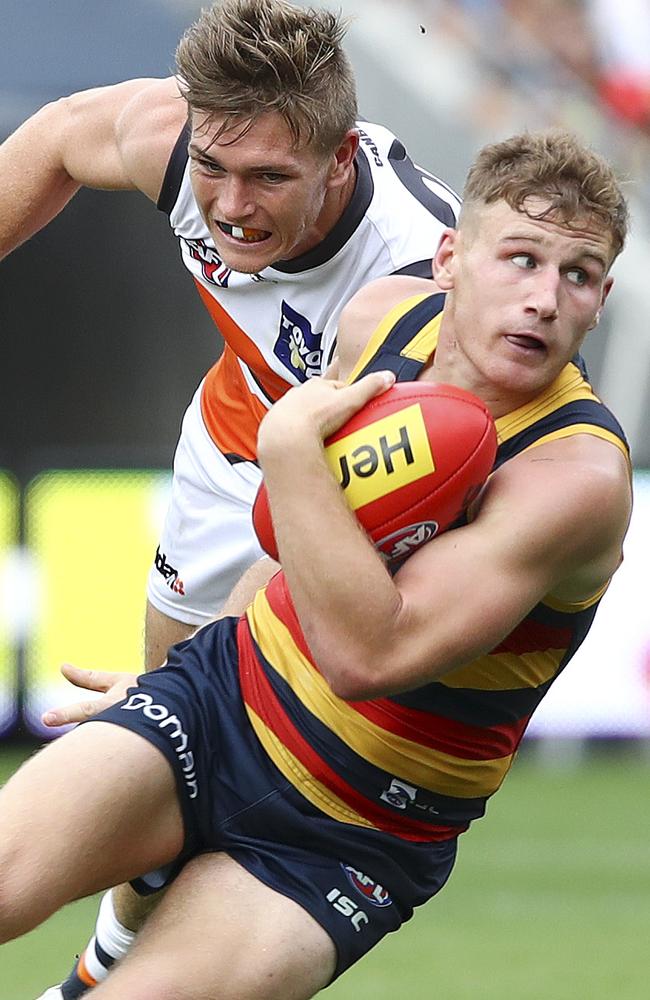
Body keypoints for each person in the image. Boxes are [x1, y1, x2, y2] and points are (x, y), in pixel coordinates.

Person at [0, 128, 632, 999]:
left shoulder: (576, 477)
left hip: (351, 830)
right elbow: (302, 547)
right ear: (449, 259)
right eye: (520, 259)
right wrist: (189, 669)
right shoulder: (380, 318)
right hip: (219, 704)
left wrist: (290, 451)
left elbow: (369, 656)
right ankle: (129, 907)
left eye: (579, 275)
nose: (543, 299)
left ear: (600, 302)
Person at [0, 0, 461, 988]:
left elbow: (321, 524)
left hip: (347, 489)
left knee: (218, 712)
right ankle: (108, 954)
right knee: (163, 739)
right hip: (229, 438)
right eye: (214, 167)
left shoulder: (415, 282)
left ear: (339, 159)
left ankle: (95, 972)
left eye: (267, 178)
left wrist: (208, 671)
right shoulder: (174, 140)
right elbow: (52, 140)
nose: (229, 203)